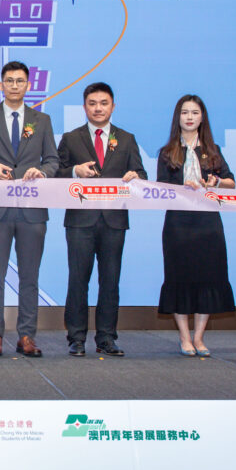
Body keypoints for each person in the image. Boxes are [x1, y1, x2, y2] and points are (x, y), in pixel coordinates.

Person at [0, 61, 58, 357]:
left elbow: (53, 160)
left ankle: (27, 336)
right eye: (9, 80)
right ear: (1, 85)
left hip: (32, 208)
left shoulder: (42, 120)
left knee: (30, 276)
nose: (14, 85)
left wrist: (42, 172)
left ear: (28, 85)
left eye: (20, 81)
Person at [56, 82, 146, 357]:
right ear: (84, 107)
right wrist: (75, 171)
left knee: (110, 280)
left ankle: (106, 337)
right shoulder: (71, 138)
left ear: (113, 106)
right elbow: (55, 174)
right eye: (92, 103)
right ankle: (76, 338)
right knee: (78, 280)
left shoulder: (126, 139)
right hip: (80, 221)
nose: (98, 108)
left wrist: (135, 177)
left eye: (103, 103)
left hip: (114, 221)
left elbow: (141, 174)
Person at [156, 94, 236, 357]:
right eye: (184, 112)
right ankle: (184, 337)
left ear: (202, 118)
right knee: (179, 277)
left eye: (194, 113)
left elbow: (231, 182)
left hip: (208, 223)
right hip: (178, 224)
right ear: (177, 117)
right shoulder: (167, 152)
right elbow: (160, 188)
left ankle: (199, 337)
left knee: (208, 277)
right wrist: (184, 188)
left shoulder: (213, 150)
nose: (189, 117)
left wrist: (215, 182)